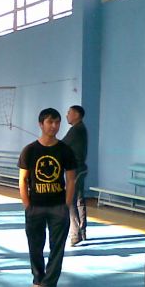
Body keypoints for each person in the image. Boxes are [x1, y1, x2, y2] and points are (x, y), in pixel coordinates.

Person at [18, 108, 76, 287]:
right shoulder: (30, 150)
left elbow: (71, 179)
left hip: (58, 207)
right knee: (35, 246)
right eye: (50, 122)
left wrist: (66, 204)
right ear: (41, 124)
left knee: (57, 247)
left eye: (57, 122)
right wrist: (27, 205)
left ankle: (49, 285)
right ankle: (37, 280)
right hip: (35, 207)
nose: (54, 126)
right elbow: (23, 180)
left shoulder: (65, 150)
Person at [62, 105, 88, 246]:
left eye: (69, 113)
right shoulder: (80, 128)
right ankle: (82, 231)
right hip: (81, 169)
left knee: (70, 201)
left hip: (76, 170)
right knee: (79, 200)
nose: (67, 115)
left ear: (76, 115)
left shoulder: (76, 130)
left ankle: (75, 234)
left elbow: (62, 145)